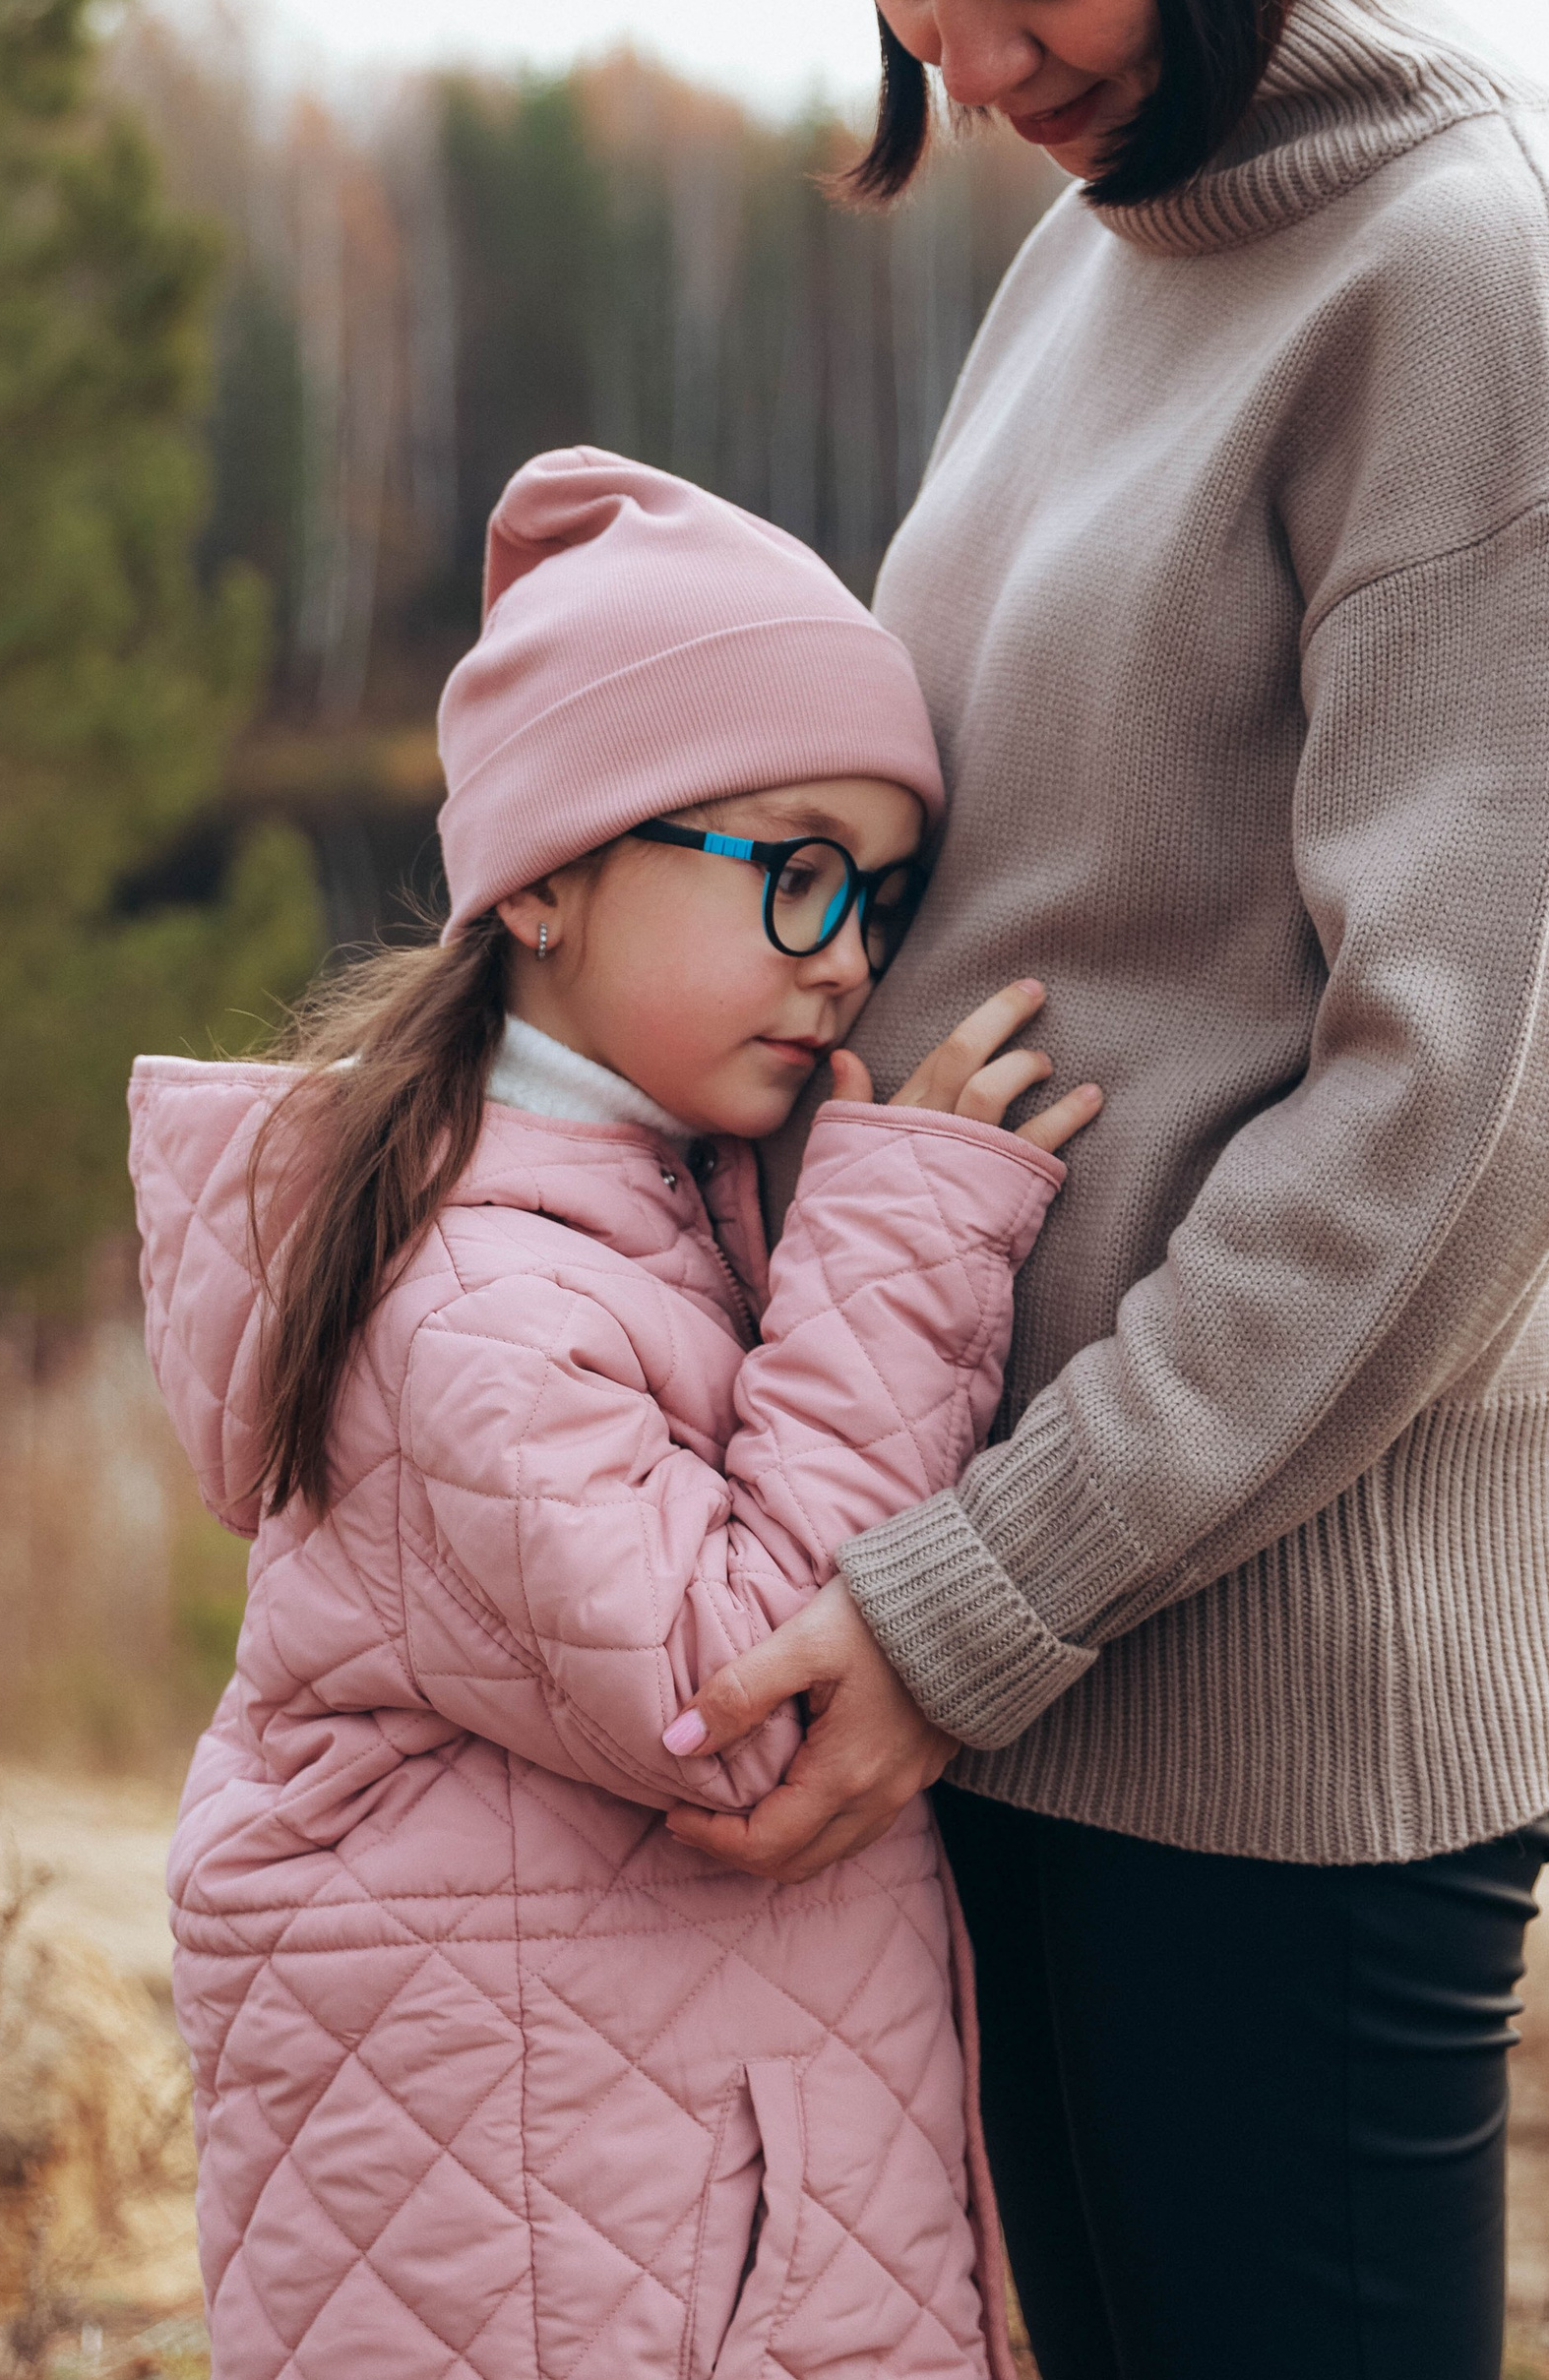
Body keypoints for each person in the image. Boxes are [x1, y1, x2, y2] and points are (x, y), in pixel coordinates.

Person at [664, 0, 1549, 2380]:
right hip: (1015, 1625)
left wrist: (978, 1593)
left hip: (1277, 1713)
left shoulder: (1469, 273)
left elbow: (1468, 1106)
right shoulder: (1109, 251)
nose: (967, 51)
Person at [131, 449, 1103, 2380]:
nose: (842, 952)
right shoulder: (470, 1292)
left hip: (642, 2212)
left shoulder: (629, 1203)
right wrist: (896, 1238)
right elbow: (730, 1699)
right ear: (551, 875)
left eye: (878, 896)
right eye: (791, 867)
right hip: (582, 2272)